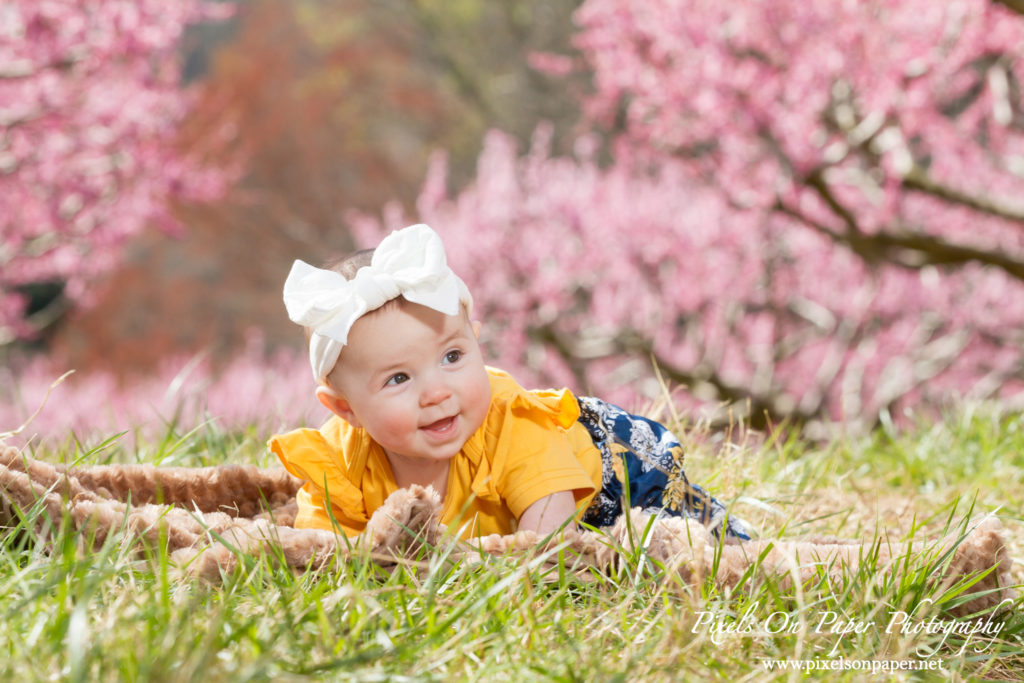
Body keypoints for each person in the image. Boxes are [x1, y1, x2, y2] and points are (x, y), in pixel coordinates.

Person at [270, 223, 748, 540]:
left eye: (453, 356)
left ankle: (739, 533)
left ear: (477, 344)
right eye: (398, 378)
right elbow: (325, 554)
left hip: (617, 472)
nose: (437, 392)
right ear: (345, 409)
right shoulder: (338, 462)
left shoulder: (512, 429)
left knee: (685, 537)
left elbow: (549, 551)